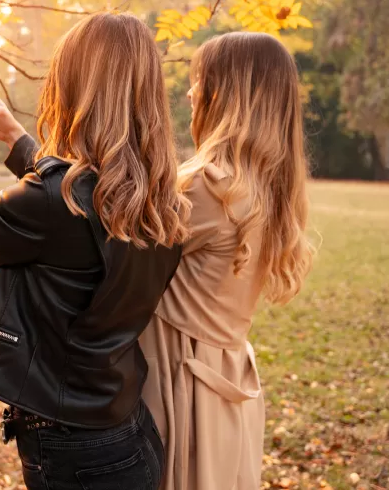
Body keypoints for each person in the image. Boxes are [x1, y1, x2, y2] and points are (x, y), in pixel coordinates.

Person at [0, 12, 189, 489]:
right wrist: (14, 137)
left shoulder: (58, 201)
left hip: (74, 454)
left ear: (72, 86)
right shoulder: (159, 197)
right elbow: (79, 204)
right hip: (129, 434)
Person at [138, 32, 314, 490]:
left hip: (183, 390)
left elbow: (109, 249)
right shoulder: (265, 188)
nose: (191, 93)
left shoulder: (206, 188)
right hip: (226, 386)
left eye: (200, 80)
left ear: (227, 95)